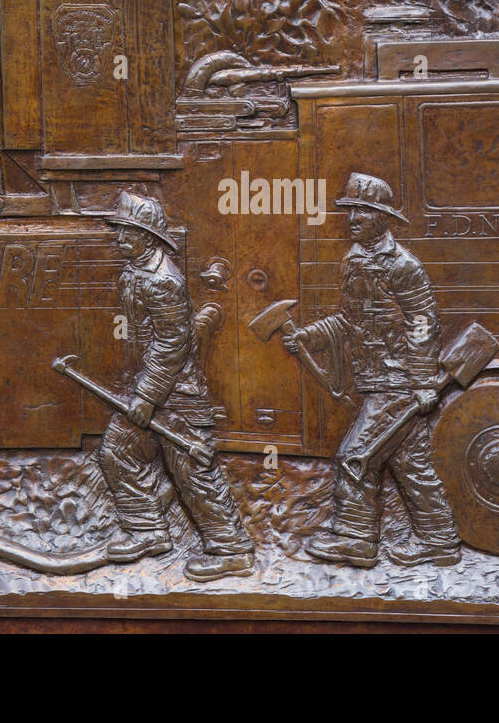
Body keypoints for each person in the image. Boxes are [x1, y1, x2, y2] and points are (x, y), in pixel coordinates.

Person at [283, 173, 461, 567]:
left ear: (383, 217)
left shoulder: (403, 265)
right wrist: (310, 337)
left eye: (363, 210)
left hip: (397, 383)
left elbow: (423, 323)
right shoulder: (353, 260)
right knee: (408, 462)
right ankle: (441, 542)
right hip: (375, 378)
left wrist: (420, 382)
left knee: (355, 457)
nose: (353, 218)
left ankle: (356, 541)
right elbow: (350, 320)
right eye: (350, 210)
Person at [95, 191, 255, 582]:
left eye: (126, 232)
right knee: (116, 452)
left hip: (178, 397)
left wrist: (147, 397)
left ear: (147, 237)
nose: (118, 239)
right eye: (118, 231)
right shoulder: (136, 272)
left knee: (192, 472)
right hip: (152, 389)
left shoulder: (162, 280)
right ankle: (148, 530)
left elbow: (172, 344)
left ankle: (232, 551)